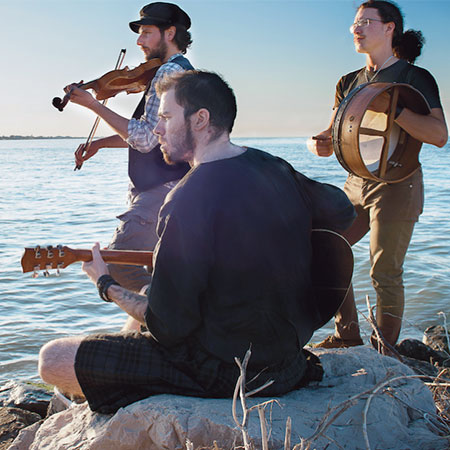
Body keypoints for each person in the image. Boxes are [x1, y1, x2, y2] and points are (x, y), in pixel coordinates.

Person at [39, 70, 355, 414]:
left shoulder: (186, 199)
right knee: (156, 296)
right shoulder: (274, 166)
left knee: (53, 359)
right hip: (289, 362)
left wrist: (105, 283)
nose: (157, 128)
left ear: (201, 119)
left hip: (226, 373)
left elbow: (167, 327)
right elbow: (342, 212)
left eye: (165, 116)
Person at [308, 0, 448, 350]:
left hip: (399, 185)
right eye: (355, 23)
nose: (357, 28)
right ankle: (348, 335)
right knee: (327, 248)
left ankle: (385, 352)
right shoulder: (347, 82)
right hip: (356, 183)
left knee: (384, 271)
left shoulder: (415, 78)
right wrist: (319, 146)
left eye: (366, 22)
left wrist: (396, 109)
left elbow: (439, 135)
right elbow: (330, 134)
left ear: (389, 29)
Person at [66, 2, 194, 298]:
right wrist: (99, 143)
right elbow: (157, 133)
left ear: (170, 33)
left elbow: (146, 139)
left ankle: (167, 314)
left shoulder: (167, 75)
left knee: (118, 266)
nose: (139, 41)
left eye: (147, 33)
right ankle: (159, 330)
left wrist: (93, 105)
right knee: (159, 269)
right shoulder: (184, 73)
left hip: (159, 193)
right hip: (175, 191)